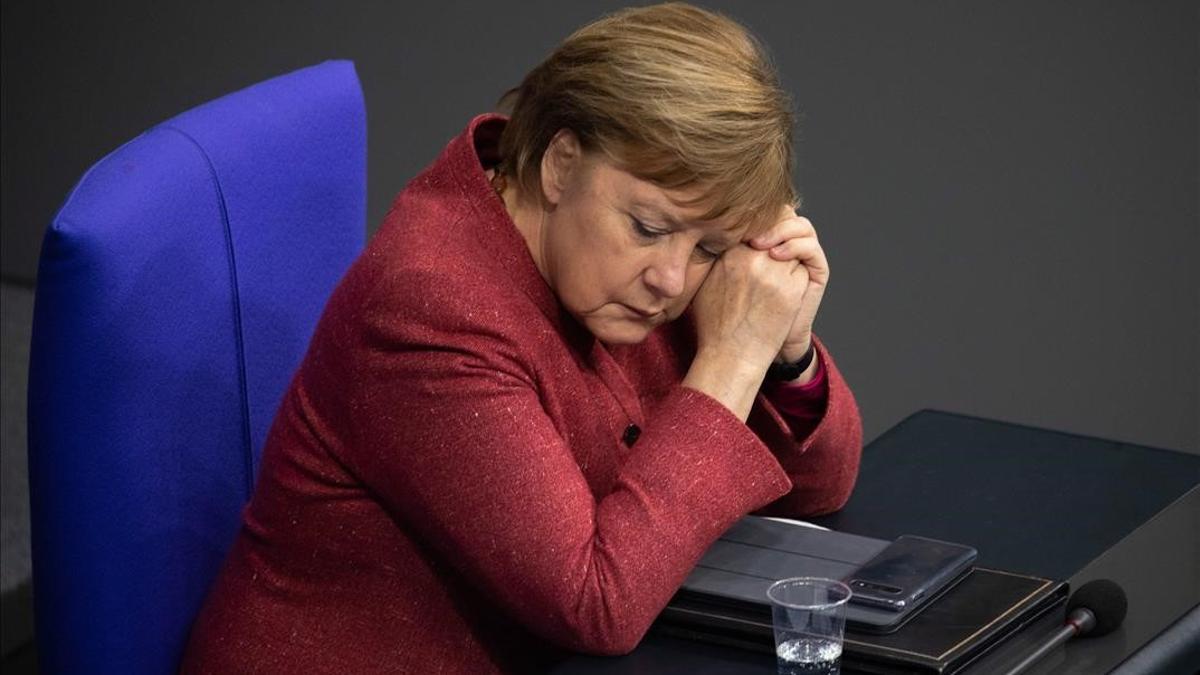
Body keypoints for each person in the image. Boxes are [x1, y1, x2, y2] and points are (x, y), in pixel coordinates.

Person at [183, 3, 862, 673]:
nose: (672, 278)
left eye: (711, 247)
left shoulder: (642, 251)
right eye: (648, 228)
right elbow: (597, 604)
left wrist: (784, 354)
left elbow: (820, 486)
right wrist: (732, 356)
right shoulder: (429, 309)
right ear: (561, 164)